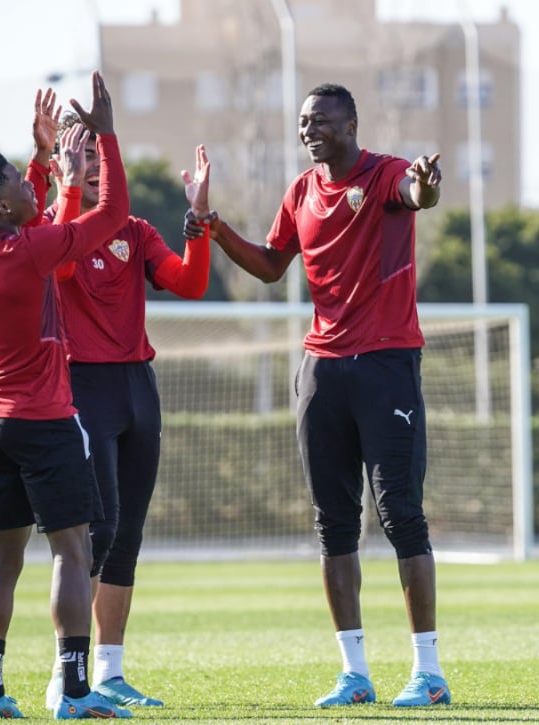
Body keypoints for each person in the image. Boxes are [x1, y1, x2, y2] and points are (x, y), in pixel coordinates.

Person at [183, 82, 450, 708]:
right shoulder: (301, 191)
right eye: (304, 122)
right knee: (333, 525)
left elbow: (418, 194)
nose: (310, 130)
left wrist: (427, 185)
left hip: (386, 363)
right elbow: (274, 264)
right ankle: (354, 673)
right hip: (322, 370)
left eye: (322, 120)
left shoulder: (385, 175)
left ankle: (428, 673)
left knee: (401, 515)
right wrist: (214, 227)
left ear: (351, 123)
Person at [0, 71, 136, 720]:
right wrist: (103, 142)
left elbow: (36, 226)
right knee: (73, 552)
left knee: (3, 562)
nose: (33, 186)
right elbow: (105, 217)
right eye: (20, 185)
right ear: (0, 208)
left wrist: (46, 161)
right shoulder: (27, 251)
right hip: (42, 419)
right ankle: (77, 692)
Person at [40, 114, 212, 711]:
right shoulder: (54, 230)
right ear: (67, 163)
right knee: (98, 530)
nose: (91, 166)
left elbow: (190, 283)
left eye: (99, 155)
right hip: (82, 388)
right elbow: (60, 266)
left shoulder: (135, 232)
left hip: (138, 387)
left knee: (128, 536)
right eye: (79, 155)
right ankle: (69, 673)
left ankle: (110, 673)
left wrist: (198, 223)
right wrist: (60, 183)